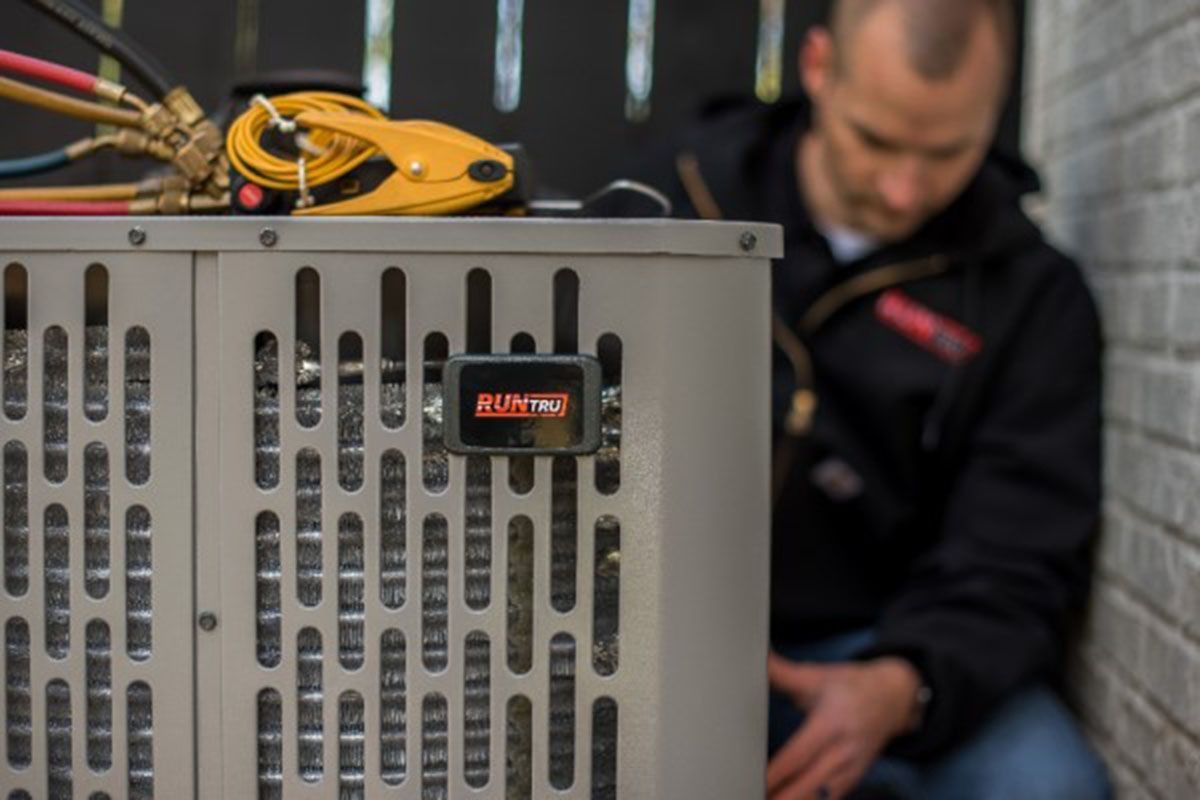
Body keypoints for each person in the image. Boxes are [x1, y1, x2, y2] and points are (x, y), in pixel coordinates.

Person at [626, 1, 1111, 798]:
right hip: (645, 637)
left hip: (873, 650)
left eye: (948, 151)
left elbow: (1019, 548)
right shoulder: (672, 200)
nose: (902, 189)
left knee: (1045, 784)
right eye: (876, 141)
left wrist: (903, 683)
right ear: (819, 68)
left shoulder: (1033, 296)